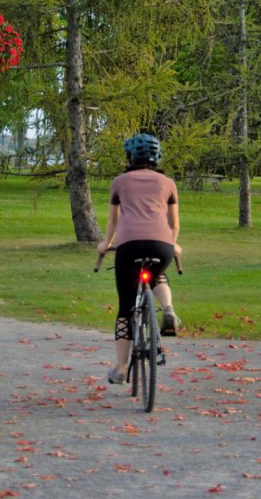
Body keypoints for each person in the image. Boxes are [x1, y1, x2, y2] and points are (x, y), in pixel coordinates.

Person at [96, 132, 182, 385]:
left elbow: (113, 220)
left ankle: (122, 368)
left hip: (129, 245)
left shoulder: (120, 182)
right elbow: (173, 223)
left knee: (125, 308)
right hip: (161, 245)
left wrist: (105, 244)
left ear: (131, 156)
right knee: (157, 275)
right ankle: (168, 309)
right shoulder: (168, 183)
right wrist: (173, 244)